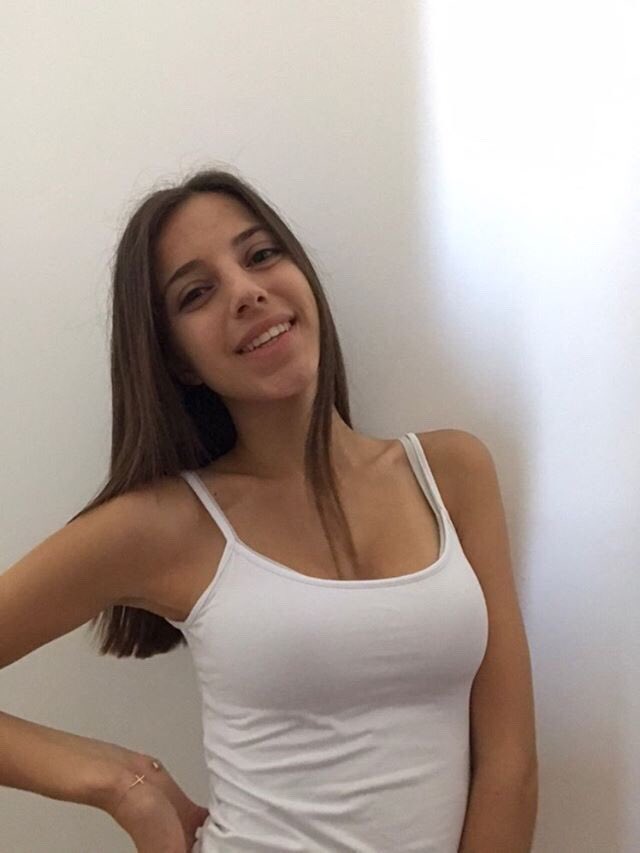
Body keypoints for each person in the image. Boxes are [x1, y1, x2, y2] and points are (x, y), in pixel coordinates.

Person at [0, 167, 538, 852]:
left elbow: (509, 762)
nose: (246, 291)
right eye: (197, 293)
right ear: (179, 361)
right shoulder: (168, 524)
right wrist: (117, 781)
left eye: (260, 255)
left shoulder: (452, 472)